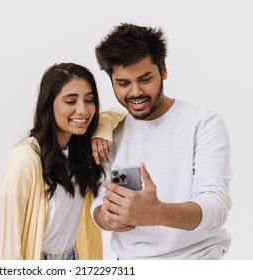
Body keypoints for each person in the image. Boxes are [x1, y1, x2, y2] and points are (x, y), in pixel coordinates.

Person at [90, 23, 232, 259]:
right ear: (111, 80)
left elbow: (216, 206)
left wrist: (159, 213)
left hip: (196, 259)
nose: (135, 92)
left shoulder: (204, 123)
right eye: (123, 83)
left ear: (164, 71)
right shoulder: (109, 132)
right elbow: (99, 197)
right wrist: (106, 218)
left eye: (145, 79)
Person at [0, 62, 104, 260]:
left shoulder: (78, 154)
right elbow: (9, 248)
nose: (83, 110)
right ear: (49, 104)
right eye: (71, 101)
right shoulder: (25, 159)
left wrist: (103, 130)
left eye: (89, 100)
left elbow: (118, 114)